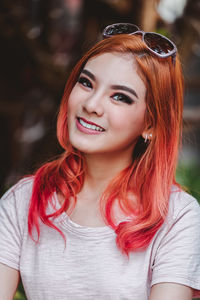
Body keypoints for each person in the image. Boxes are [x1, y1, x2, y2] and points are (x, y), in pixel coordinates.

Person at [0, 23, 200, 300]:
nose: (92, 104)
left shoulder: (178, 216)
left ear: (151, 123)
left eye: (120, 97)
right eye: (86, 82)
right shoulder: (23, 201)